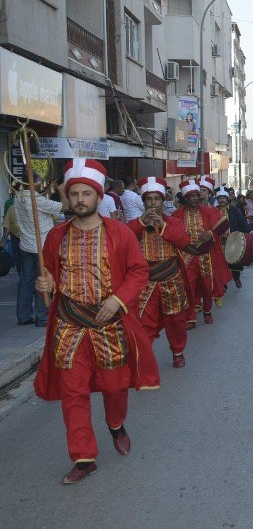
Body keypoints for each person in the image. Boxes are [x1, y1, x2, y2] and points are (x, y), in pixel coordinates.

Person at [33, 159, 159, 485]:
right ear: (68, 197)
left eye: (86, 193)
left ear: (99, 196)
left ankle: (115, 424)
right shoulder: (56, 236)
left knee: (115, 387)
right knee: (73, 393)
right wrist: (45, 283)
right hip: (69, 325)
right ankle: (84, 457)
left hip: (109, 324)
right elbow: (49, 274)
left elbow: (138, 271)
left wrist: (117, 300)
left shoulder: (119, 233)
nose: (79, 199)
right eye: (74, 194)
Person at [126, 177, 191, 368]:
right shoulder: (135, 223)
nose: (153, 203)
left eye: (156, 199)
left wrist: (162, 225)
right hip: (146, 280)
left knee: (175, 320)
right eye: (149, 199)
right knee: (143, 321)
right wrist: (141, 223)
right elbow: (125, 240)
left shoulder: (174, 222)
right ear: (144, 202)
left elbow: (183, 241)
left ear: (163, 201)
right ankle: (144, 358)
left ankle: (178, 352)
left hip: (171, 277)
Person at [13, 178, 67, 327]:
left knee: (25, 282)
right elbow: (65, 206)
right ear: (35, 183)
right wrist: (61, 190)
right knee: (43, 281)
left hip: (26, 246)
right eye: (40, 181)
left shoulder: (18, 197)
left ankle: (23, 316)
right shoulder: (37, 200)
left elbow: (40, 202)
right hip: (41, 247)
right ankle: (42, 317)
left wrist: (48, 190)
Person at [178, 179, 231, 326]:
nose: (195, 198)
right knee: (189, 287)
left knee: (208, 287)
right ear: (185, 198)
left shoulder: (209, 211)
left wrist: (211, 233)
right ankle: (191, 318)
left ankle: (207, 311)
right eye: (191, 196)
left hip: (205, 256)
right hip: (187, 257)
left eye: (197, 195)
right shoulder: (177, 214)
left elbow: (222, 226)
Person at [216, 189, 251, 289]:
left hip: (233, 240)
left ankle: (236, 279)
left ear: (227, 199)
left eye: (224, 198)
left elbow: (242, 222)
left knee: (234, 263)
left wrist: (248, 232)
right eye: (220, 198)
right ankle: (223, 284)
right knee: (220, 264)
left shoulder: (233, 210)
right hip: (218, 242)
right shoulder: (213, 211)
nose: (222, 200)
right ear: (217, 199)